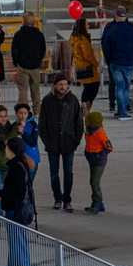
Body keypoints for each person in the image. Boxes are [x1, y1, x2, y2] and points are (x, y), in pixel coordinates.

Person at [0, 133, 37, 266]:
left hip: (16, 212)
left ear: (12, 150)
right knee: (16, 247)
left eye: (7, 147)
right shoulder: (20, 165)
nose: (5, 150)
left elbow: (17, 191)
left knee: (18, 248)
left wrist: (2, 195)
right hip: (17, 211)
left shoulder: (16, 167)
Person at [39, 75, 85, 211]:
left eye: (65, 84)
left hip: (68, 142)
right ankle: (57, 198)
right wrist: (46, 140)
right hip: (52, 143)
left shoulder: (72, 100)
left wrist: (76, 140)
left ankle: (67, 199)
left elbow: (79, 122)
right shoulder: (47, 101)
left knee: (68, 173)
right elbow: (42, 123)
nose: (63, 87)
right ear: (54, 85)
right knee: (54, 173)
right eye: (60, 84)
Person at [101, 13, 133, 119]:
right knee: (126, 87)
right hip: (129, 63)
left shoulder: (111, 29)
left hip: (115, 62)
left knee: (119, 86)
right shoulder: (132, 29)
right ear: (126, 17)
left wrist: (108, 60)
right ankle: (123, 111)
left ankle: (120, 111)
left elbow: (105, 46)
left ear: (116, 17)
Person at [11, 14, 47, 108]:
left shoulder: (18, 34)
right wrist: (38, 60)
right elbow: (43, 49)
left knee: (23, 90)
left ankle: (23, 112)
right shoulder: (39, 34)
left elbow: (14, 50)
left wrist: (16, 62)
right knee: (35, 90)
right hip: (35, 66)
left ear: (24, 21)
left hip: (22, 65)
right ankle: (37, 111)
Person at [68, 16, 102, 110]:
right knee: (93, 87)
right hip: (88, 68)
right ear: (83, 26)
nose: (89, 26)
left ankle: (85, 106)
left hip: (81, 67)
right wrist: (96, 63)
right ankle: (86, 107)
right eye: (87, 24)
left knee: (87, 88)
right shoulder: (83, 40)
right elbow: (88, 55)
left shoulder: (76, 39)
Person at [82, 109, 113, 214]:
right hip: (91, 158)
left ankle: (97, 203)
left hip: (99, 161)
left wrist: (100, 156)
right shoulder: (88, 131)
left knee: (94, 182)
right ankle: (98, 203)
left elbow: (109, 147)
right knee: (93, 182)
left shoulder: (100, 133)